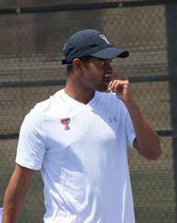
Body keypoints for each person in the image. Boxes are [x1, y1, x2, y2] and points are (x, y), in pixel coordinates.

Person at [2, 29, 161, 223]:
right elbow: (20, 184)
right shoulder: (41, 117)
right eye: (101, 63)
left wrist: (130, 102)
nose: (109, 69)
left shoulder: (118, 105)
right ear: (78, 65)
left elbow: (153, 152)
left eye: (110, 62)